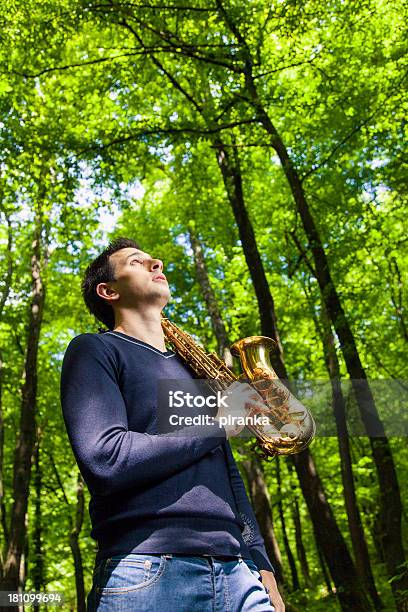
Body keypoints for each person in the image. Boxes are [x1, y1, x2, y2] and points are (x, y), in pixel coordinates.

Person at [60, 237, 285, 612]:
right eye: (137, 261)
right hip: (145, 570)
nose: (156, 263)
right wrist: (217, 425)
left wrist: (261, 564)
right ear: (108, 290)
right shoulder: (95, 350)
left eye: (155, 260)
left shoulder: (192, 371)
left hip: (239, 573)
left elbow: (228, 475)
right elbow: (105, 459)